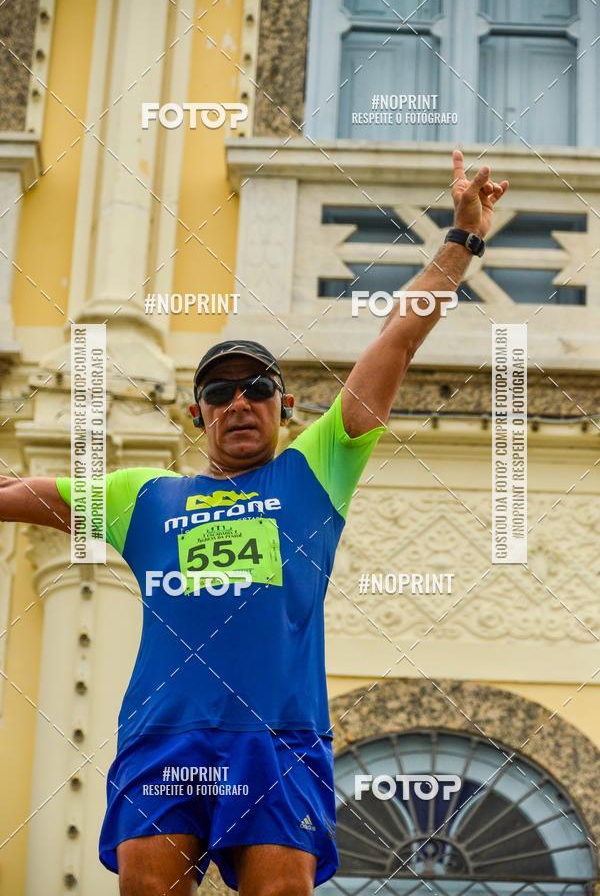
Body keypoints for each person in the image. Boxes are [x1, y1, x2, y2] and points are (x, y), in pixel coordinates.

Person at [0, 151, 508, 895]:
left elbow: (395, 339)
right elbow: (15, 489)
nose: (240, 401)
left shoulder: (315, 470)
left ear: (283, 406)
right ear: (197, 412)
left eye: (257, 386)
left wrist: (460, 241)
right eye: (220, 390)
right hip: (163, 738)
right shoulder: (140, 495)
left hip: (277, 740)